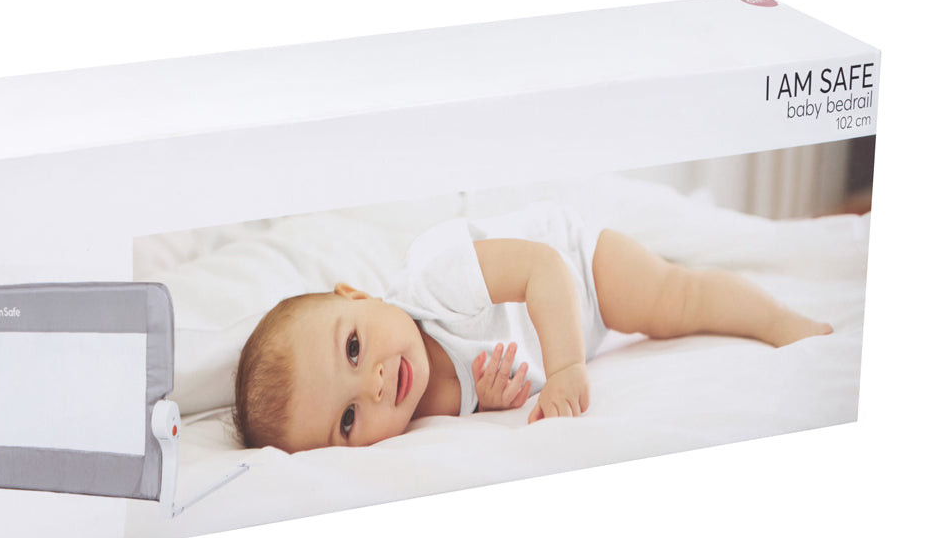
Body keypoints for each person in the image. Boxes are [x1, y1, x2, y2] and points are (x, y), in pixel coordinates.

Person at [232, 202, 831, 452]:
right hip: (563, 321)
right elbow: (487, 368)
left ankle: (778, 318)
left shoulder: (434, 281)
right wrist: (496, 395)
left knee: (677, 297)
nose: (377, 383)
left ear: (358, 295)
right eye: (347, 419)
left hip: (576, 268)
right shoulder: (419, 411)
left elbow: (542, 269)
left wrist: (565, 367)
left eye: (354, 348)